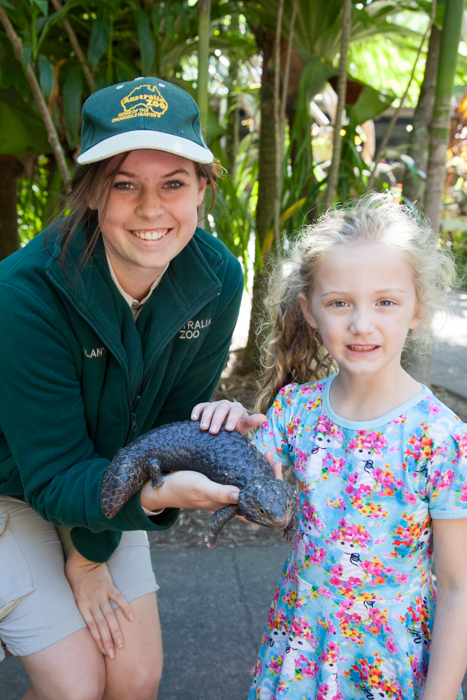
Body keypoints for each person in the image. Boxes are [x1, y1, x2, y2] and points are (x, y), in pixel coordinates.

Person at [0, 76, 263, 700]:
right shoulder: (24, 294)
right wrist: (88, 559)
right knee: (77, 688)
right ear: (92, 194)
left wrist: (212, 442)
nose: (152, 209)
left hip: (106, 486)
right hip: (16, 487)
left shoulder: (217, 276)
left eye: (173, 182)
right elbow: (54, 472)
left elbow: (167, 430)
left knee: (136, 679)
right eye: (125, 184)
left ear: (202, 188)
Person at [239, 194, 467, 699]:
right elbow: (238, 489)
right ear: (310, 311)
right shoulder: (294, 410)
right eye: (340, 302)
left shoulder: (441, 437)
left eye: (385, 302)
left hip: (389, 668)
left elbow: (457, 586)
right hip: (300, 657)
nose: (362, 324)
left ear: (417, 309)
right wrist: (226, 424)